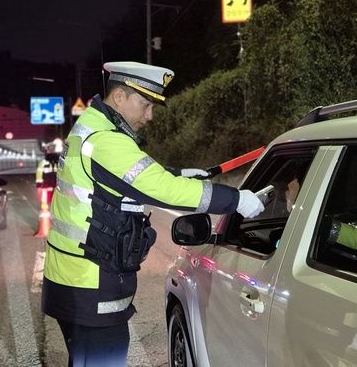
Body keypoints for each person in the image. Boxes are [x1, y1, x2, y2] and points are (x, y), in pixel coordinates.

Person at [41, 61, 265, 366]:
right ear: (119, 97)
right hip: (90, 279)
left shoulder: (91, 130)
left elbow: (125, 177)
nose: (150, 115)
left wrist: (180, 173)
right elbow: (162, 189)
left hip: (74, 277)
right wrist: (235, 199)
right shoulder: (105, 141)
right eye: (145, 103)